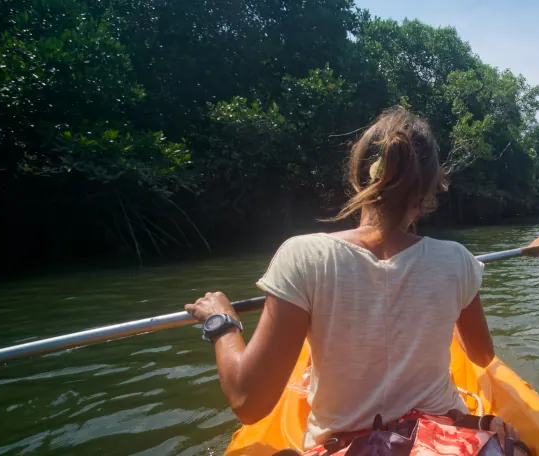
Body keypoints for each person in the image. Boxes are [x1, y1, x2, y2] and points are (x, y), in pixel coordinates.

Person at [185, 106, 513, 453]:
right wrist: (448, 302)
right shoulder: (457, 259)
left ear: (360, 177)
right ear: (426, 194)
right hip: (445, 440)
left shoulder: (302, 255)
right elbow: (481, 356)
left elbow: (248, 402)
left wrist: (222, 323)